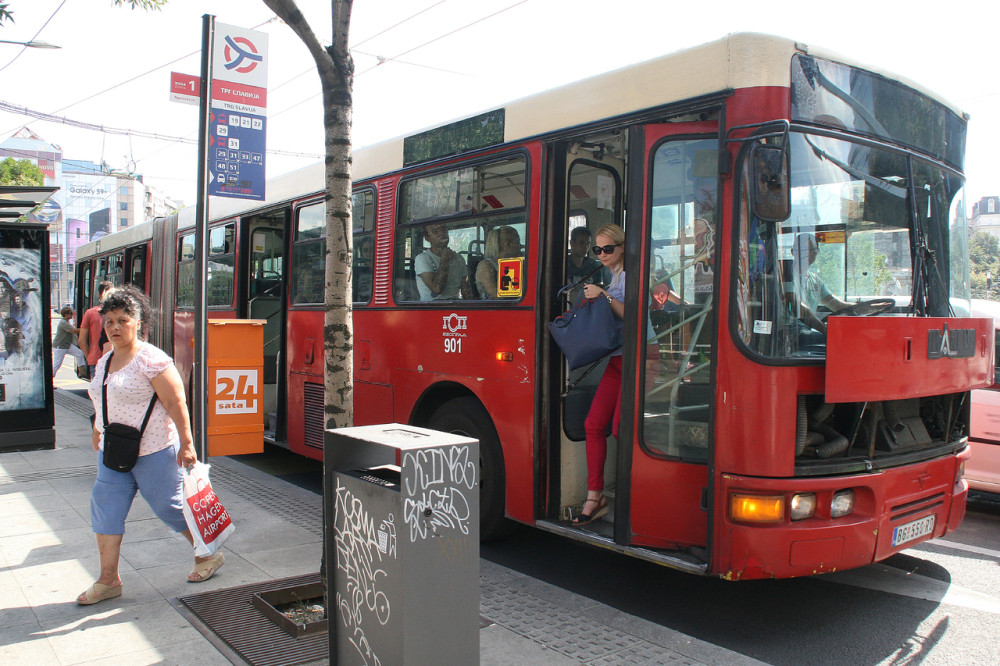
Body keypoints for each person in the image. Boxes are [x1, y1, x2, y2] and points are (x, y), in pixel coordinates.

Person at [77, 286, 224, 606]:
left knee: (169, 508)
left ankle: (207, 553)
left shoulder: (152, 359)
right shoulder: (106, 359)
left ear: (138, 322)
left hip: (155, 449)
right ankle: (108, 580)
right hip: (114, 451)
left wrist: (187, 444)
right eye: (109, 321)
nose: (114, 327)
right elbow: (101, 398)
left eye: (122, 320)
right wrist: (97, 429)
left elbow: (176, 403)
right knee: (106, 509)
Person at [573, 224, 627, 527]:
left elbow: (632, 314)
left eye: (608, 249)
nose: (602, 254)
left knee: (621, 428)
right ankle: (596, 496)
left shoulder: (630, 275)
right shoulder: (612, 275)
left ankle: (634, 495)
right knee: (593, 424)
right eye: (598, 249)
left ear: (622, 247)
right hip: (617, 359)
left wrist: (603, 296)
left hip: (639, 358)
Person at [787, 233, 850, 339]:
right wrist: (824, 329)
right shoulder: (786, 275)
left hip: (806, 330)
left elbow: (835, 304)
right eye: (806, 250)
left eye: (814, 250)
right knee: (839, 338)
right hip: (789, 331)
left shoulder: (815, 280)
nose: (811, 253)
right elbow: (797, 307)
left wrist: (868, 308)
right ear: (794, 252)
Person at [415, 223, 471, 300]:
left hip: (455, 303)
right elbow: (436, 289)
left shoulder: (459, 258)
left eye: (443, 229)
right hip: (433, 305)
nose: (441, 233)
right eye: (435, 231)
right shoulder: (422, 258)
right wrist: (445, 261)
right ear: (428, 238)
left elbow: (465, 290)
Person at [79, 281, 114, 378]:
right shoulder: (119, 314)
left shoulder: (90, 313)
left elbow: (81, 341)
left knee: (97, 386)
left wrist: (89, 357)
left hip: (95, 359)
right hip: (116, 360)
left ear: (99, 294)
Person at [475, 226, 521, 298]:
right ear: (507, 244)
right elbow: (497, 297)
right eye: (518, 243)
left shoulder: (510, 264)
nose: (520, 247)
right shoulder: (486, 266)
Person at [52, 306, 86, 378]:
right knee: (57, 364)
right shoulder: (63, 322)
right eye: (70, 313)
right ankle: (50, 378)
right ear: (66, 314)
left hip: (67, 345)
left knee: (79, 354)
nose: (72, 314)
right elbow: (73, 331)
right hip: (60, 346)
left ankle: (81, 372)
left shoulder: (66, 322)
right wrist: (85, 329)